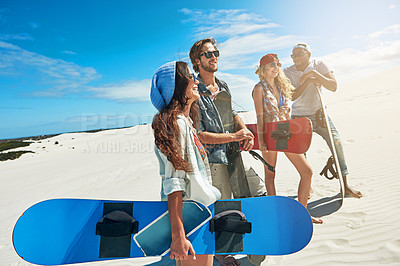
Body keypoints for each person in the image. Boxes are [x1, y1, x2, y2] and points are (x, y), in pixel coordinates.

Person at [189, 38, 266, 266]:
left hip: (234, 155)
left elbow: (232, 113)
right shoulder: (193, 90)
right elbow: (199, 135)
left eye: (216, 53)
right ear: (197, 60)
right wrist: (235, 136)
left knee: (257, 190)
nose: (214, 57)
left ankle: (253, 245)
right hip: (212, 160)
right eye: (208, 54)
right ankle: (221, 253)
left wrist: (242, 129)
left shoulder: (222, 85)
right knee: (221, 207)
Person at [150, 61, 221, 265]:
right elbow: (174, 183)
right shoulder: (177, 124)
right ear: (177, 87)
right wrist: (178, 235)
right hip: (192, 217)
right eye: (189, 76)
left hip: (199, 213)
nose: (195, 80)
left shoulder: (185, 122)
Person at [283, 43, 362, 198]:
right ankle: (308, 187)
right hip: (299, 116)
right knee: (301, 152)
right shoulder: (287, 72)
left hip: (320, 115)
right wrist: (307, 81)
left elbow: (333, 86)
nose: (296, 58)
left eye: (300, 53)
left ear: (309, 54)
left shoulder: (318, 65)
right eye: (293, 55)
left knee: (336, 143)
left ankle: (345, 185)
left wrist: (315, 75)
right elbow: (291, 96)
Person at [252, 53, 323, 224]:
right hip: (269, 134)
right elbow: (260, 117)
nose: (276, 67)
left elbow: (288, 110)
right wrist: (261, 141)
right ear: (263, 69)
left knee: (307, 172)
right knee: (270, 176)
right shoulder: (259, 88)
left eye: (277, 64)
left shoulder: (282, 86)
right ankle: (274, 216)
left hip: (285, 133)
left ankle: (302, 214)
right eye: (271, 65)